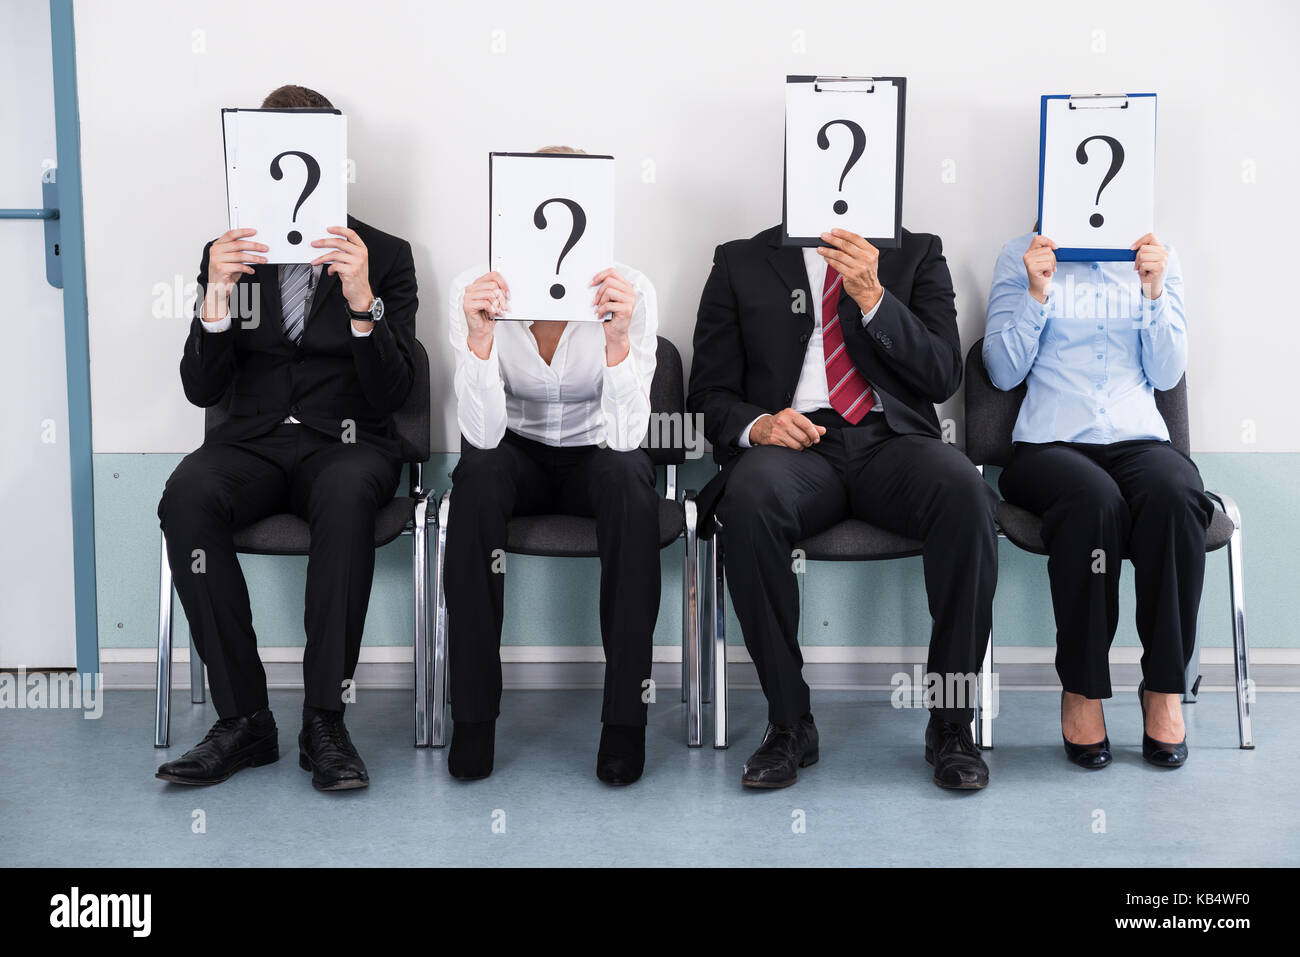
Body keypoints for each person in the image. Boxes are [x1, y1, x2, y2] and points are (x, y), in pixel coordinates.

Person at [155, 85, 418, 791]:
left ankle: (324, 719)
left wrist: (364, 303)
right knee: (186, 495)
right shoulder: (229, 252)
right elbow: (201, 388)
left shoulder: (384, 255)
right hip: (253, 445)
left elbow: (396, 393)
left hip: (350, 442)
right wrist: (214, 298)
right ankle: (244, 718)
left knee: (344, 492)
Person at [688, 223, 998, 791]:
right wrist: (759, 425)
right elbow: (707, 394)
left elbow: (942, 373)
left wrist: (875, 299)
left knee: (966, 495)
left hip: (895, 440)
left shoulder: (919, 252)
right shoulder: (739, 260)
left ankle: (951, 724)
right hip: (795, 446)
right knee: (749, 501)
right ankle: (788, 722)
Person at [444, 147, 660, 785]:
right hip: (515, 453)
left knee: (629, 482)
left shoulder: (631, 289)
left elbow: (627, 439)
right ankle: (475, 718)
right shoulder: (474, 288)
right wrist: (481, 339)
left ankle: (624, 722)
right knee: (476, 478)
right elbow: (481, 437)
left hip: (599, 452)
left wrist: (618, 339)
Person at [984, 230, 1210, 770]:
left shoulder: (1158, 254)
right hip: (1049, 446)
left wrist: (1153, 292)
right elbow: (1000, 370)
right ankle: (1082, 689)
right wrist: (1037, 292)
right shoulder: (1020, 254)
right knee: (1094, 501)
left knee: (1178, 496)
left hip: (1138, 440)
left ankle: (1164, 687)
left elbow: (1168, 373)